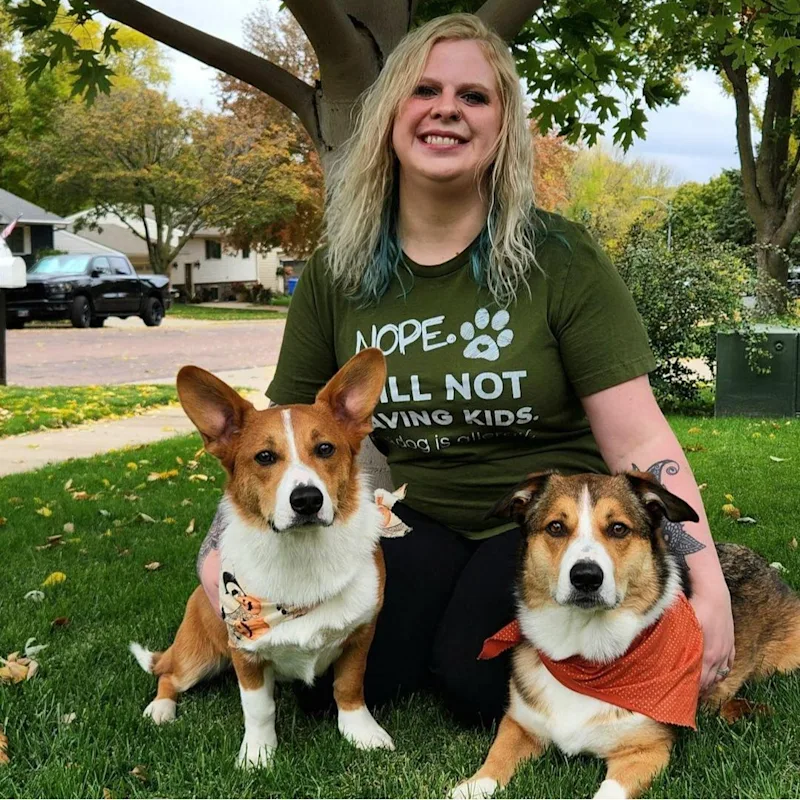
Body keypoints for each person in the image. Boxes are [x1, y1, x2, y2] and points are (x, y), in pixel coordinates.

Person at [195, 13, 735, 725]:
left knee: (478, 688)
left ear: (502, 127)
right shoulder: (340, 271)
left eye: (474, 96)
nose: (446, 107)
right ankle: (441, 613)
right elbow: (280, 438)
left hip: (547, 514)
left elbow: (637, 441)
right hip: (418, 515)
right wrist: (220, 558)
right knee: (341, 688)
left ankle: (513, 606)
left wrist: (709, 582)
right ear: (392, 114)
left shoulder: (559, 258)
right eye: (424, 90)